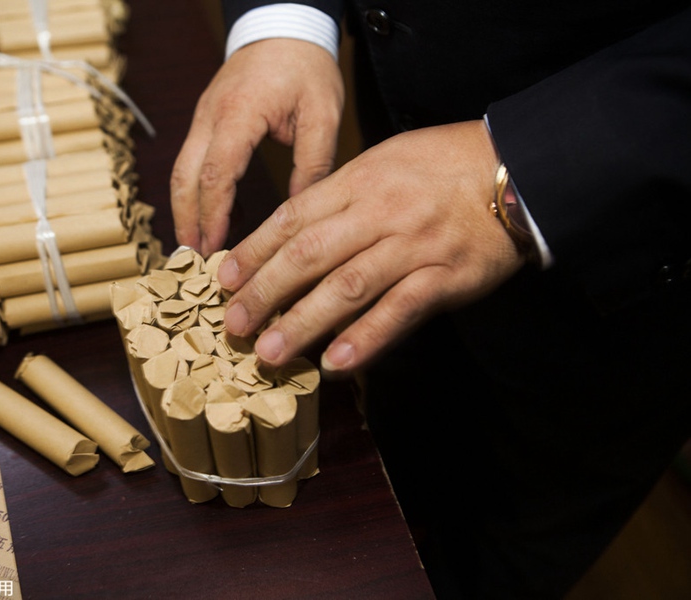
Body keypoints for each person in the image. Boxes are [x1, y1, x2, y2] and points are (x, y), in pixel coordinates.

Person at [170, 1, 691, 598]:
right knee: (384, 479)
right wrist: (285, 21)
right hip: (392, 200)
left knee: (490, 565)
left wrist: (528, 168)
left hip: (623, 283)